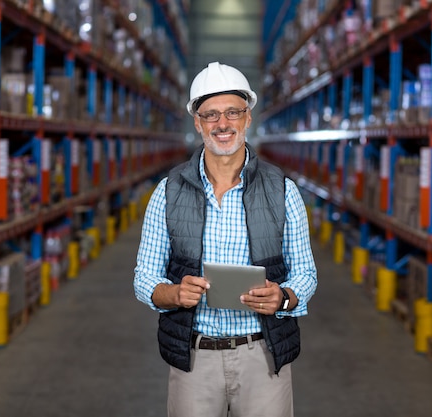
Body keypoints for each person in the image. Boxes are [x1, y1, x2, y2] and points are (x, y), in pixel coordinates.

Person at [133, 61, 317, 417]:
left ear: (248, 118)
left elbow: (306, 274)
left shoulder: (283, 191)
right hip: (194, 357)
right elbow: (144, 277)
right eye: (211, 114)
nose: (222, 124)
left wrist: (283, 297)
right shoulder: (167, 192)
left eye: (233, 112)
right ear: (198, 122)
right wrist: (173, 293)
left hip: (264, 356)